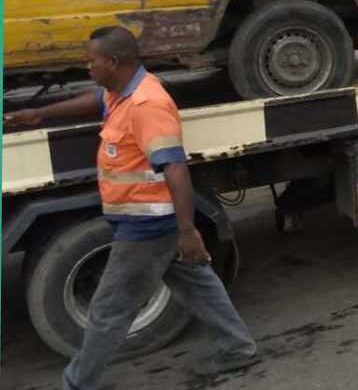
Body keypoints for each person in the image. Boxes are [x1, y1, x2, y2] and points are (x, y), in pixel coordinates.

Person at [4, 27, 259, 389]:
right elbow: (97, 99)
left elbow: (175, 168)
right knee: (199, 285)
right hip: (146, 220)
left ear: (114, 62)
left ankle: (78, 383)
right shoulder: (123, 91)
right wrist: (39, 113)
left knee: (109, 308)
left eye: (92, 60)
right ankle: (238, 347)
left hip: (147, 226)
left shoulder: (147, 105)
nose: (87, 65)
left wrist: (188, 232)